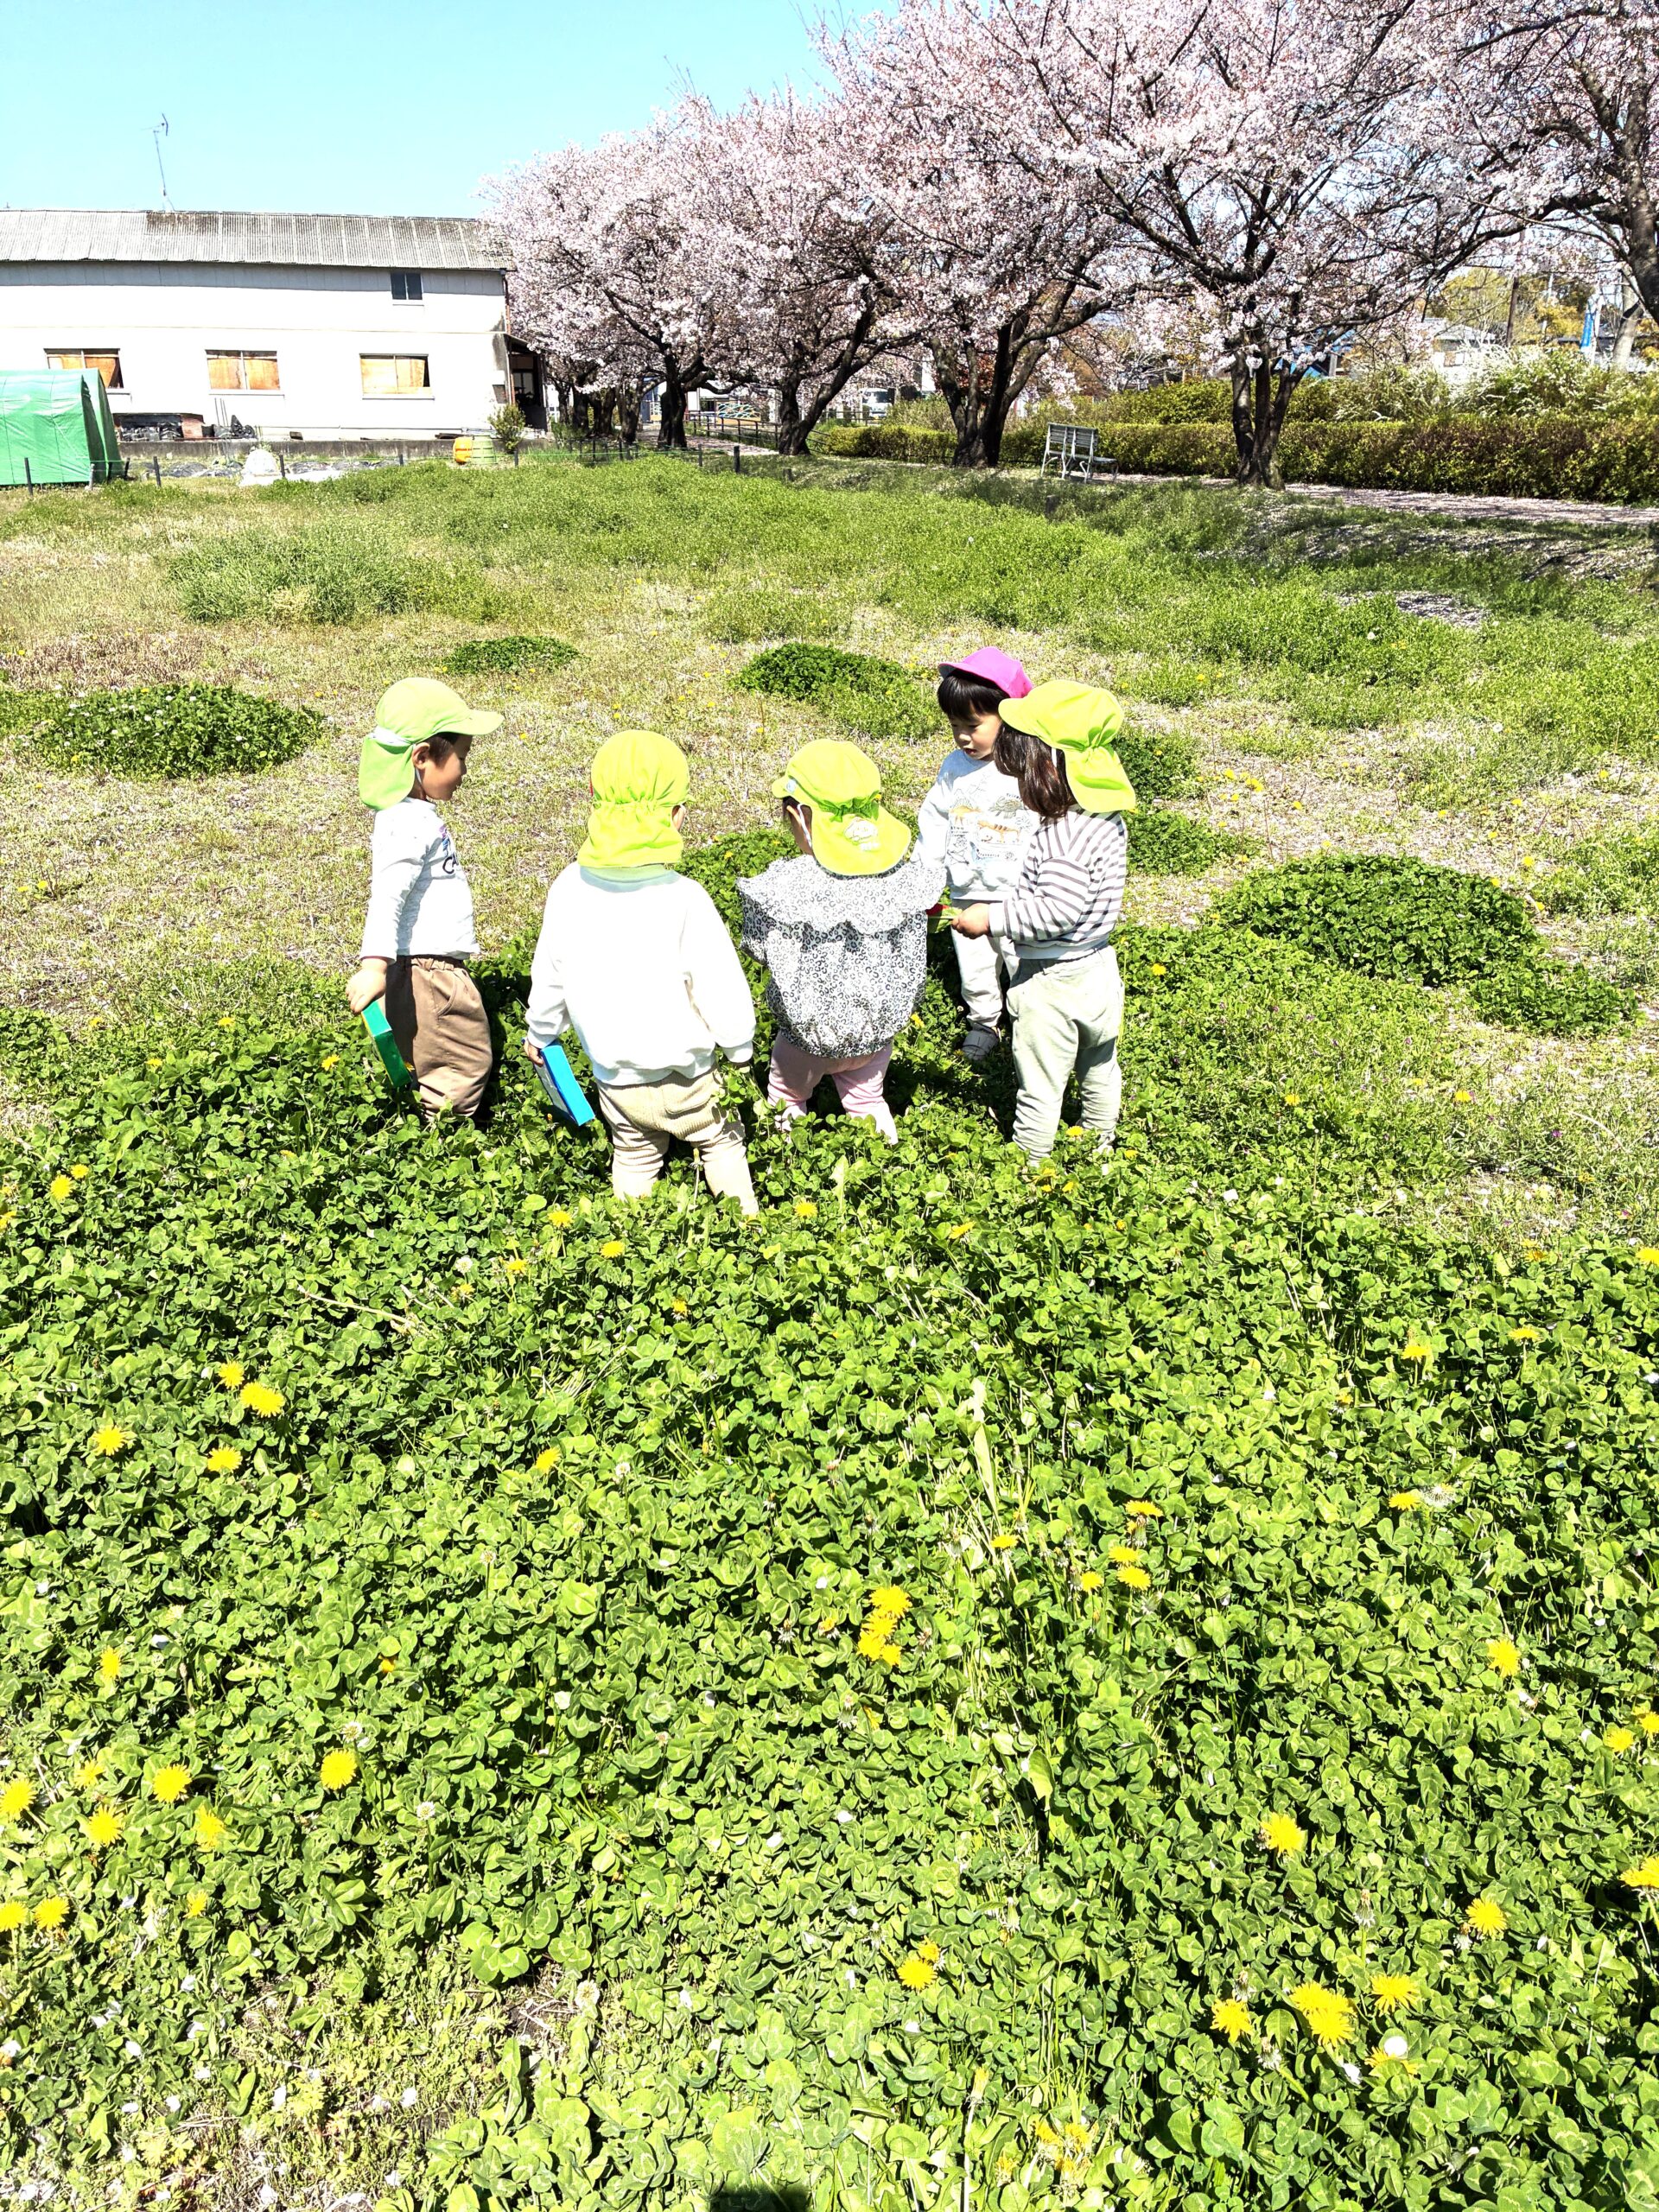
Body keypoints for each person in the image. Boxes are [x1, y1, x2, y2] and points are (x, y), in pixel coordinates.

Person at [525, 730, 759, 1213]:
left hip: (618, 1083)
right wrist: (739, 1051)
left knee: (633, 1154)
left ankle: (629, 1233)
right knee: (721, 1144)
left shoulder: (568, 888)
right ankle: (749, 1228)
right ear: (676, 816)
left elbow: (550, 975)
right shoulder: (685, 898)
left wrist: (540, 1033)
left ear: (594, 801)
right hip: (692, 1079)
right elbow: (721, 987)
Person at [950, 681, 1135, 1161]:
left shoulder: (1061, 835)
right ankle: (1099, 1147)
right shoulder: (1104, 817)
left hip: (1053, 981)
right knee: (1100, 1067)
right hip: (1099, 968)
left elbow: (1055, 911)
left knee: (1040, 1085)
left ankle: (1030, 1169)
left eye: (1022, 768)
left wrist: (992, 918)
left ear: (1050, 767)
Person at [739, 741, 942, 1145]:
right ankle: (887, 1159)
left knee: (787, 1097)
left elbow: (758, 947)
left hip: (806, 1038)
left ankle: (786, 1158)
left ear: (799, 816)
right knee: (868, 1100)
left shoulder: (790, 885)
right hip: (876, 1034)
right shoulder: (899, 881)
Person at [347, 676, 501, 1123]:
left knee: (432, 1056)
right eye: (461, 758)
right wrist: (374, 966)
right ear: (421, 757)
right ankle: (447, 1144)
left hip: (420, 967)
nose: (464, 770)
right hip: (429, 972)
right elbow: (387, 895)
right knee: (462, 1062)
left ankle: (427, 1126)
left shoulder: (409, 815)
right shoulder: (407, 823)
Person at [916, 648, 1038, 1062]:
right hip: (968, 887)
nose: (963, 737)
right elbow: (934, 817)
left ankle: (1028, 1022)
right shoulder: (955, 767)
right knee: (975, 964)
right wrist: (926, 874)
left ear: (1010, 717)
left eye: (973, 725)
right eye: (955, 726)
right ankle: (984, 1022)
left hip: (1019, 893)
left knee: (1024, 961)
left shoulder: (1031, 764)